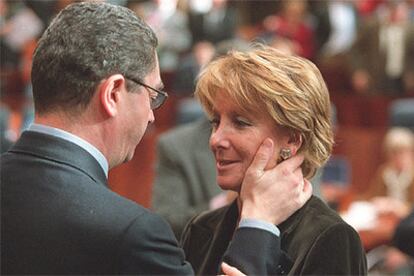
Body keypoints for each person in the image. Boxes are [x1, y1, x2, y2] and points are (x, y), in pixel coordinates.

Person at [0, 2, 311, 275]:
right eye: (152, 95)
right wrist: (257, 223)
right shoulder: (133, 235)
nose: (151, 116)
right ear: (113, 94)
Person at [181, 45, 367, 275]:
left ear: (291, 141)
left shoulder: (330, 237)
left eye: (240, 123)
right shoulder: (201, 228)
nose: (216, 139)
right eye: (215, 122)